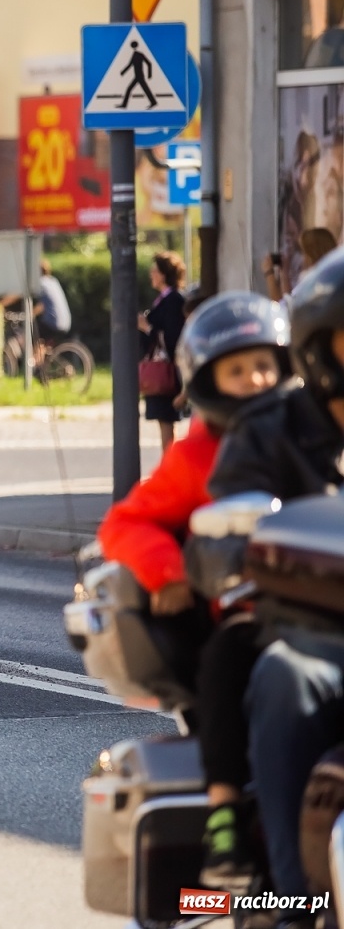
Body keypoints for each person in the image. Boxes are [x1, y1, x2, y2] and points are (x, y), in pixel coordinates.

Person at [97, 291, 291, 890]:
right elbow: (124, 524)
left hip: (326, 607)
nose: (254, 379)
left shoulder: (311, 434)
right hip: (249, 610)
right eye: (236, 371)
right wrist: (170, 573)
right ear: (207, 381)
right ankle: (226, 814)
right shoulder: (197, 454)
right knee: (228, 663)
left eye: (262, 364)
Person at [211, 248, 344, 919]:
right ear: (323, 347)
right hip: (318, 639)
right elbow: (223, 536)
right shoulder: (272, 428)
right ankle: (295, 899)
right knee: (284, 679)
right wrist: (238, 540)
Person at [140, 251, 189, 451]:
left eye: (155, 271)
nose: (151, 275)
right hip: (162, 368)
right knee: (164, 422)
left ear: (163, 274)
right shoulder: (164, 299)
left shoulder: (173, 301)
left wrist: (146, 328)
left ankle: (170, 467)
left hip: (166, 371)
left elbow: (172, 336)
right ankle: (168, 465)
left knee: (166, 422)